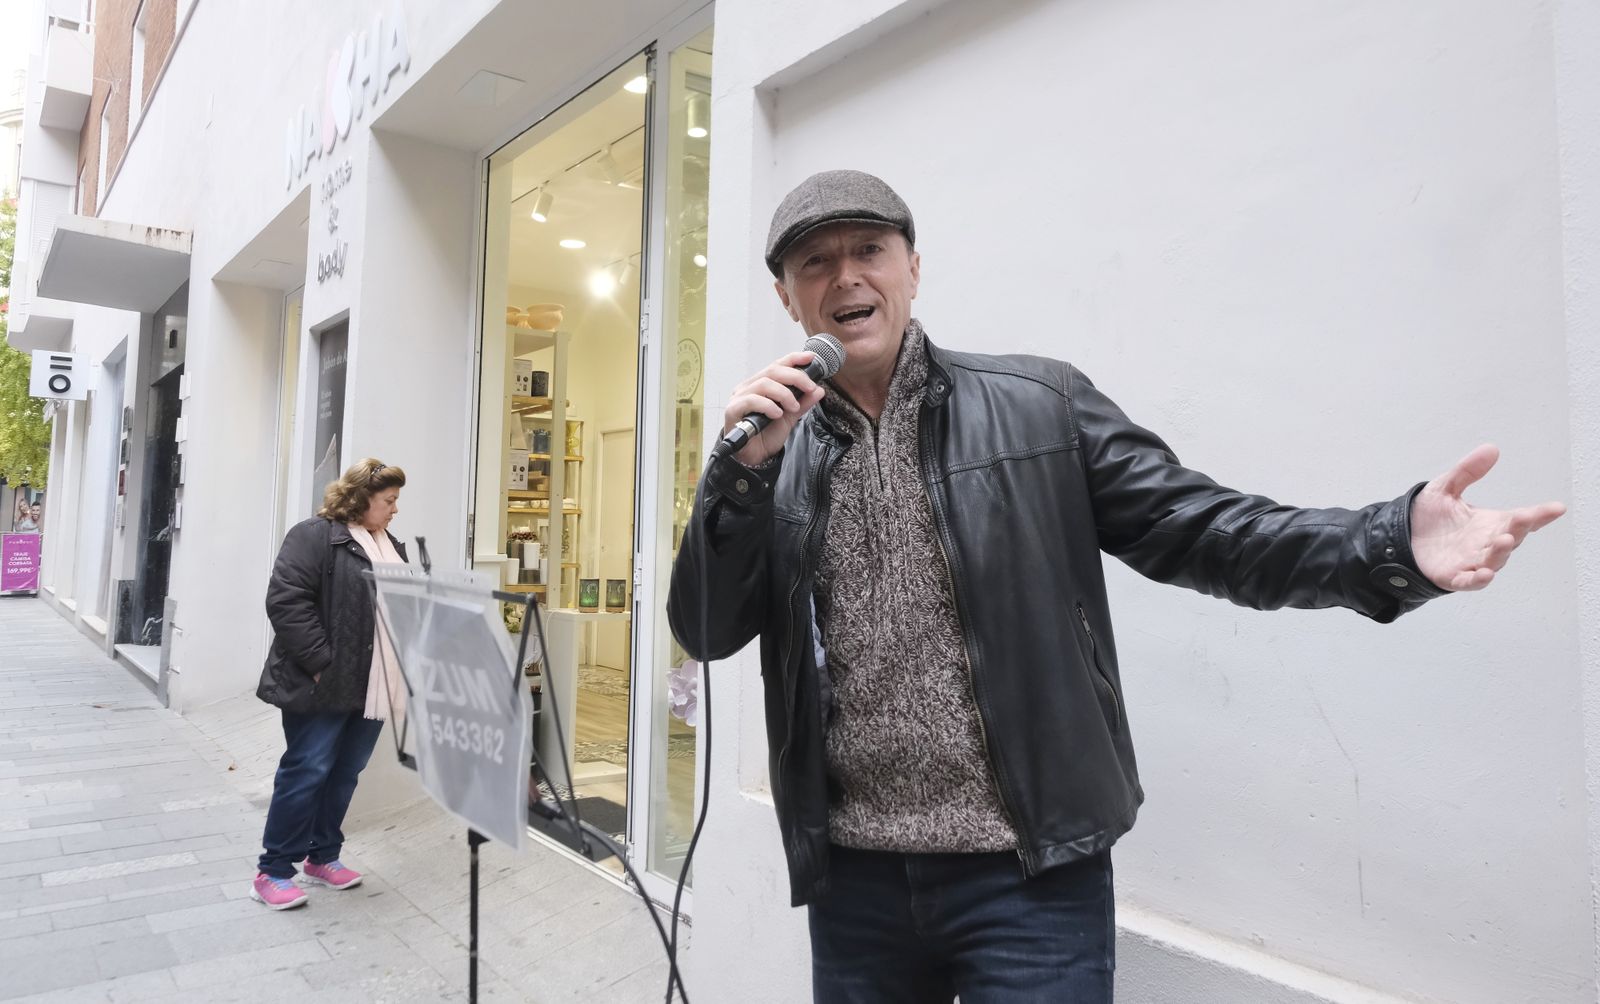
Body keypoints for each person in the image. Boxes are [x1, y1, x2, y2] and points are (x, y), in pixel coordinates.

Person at [666, 170, 1567, 1002]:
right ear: (788, 297)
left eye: (869, 250)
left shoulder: (1040, 405)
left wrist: (1386, 543)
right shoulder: (767, 462)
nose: (846, 276)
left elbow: (1204, 530)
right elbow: (705, 628)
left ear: (912, 268)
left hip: (1029, 875)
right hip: (855, 882)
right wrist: (738, 478)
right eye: (816, 262)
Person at [251, 458, 409, 910]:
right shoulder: (314, 536)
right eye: (389, 500)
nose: (395, 509)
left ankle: (322, 857)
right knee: (307, 772)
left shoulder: (389, 544)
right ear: (361, 499)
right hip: (321, 683)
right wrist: (322, 663)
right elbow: (286, 601)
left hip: (375, 681)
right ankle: (273, 870)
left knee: (344, 773)